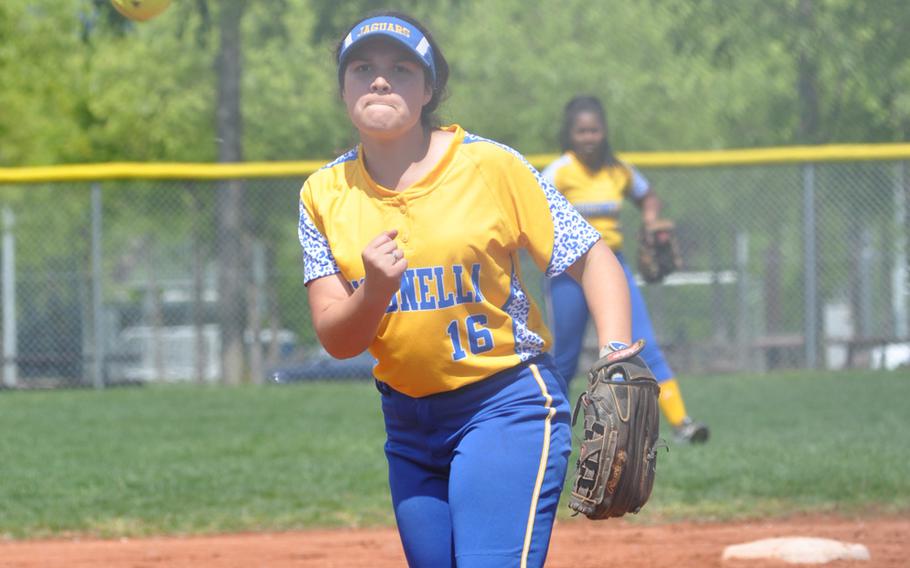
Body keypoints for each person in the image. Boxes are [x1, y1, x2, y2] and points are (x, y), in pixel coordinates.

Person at [298, 12, 634, 568]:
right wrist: (374, 291)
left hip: (504, 404)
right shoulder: (322, 193)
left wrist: (617, 352)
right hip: (407, 428)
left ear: (429, 89)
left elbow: (593, 258)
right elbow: (337, 338)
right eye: (363, 68)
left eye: (401, 68)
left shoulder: (490, 166)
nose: (380, 80)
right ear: (343, 87)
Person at [541, 95, 710, 444]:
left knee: (640, 346)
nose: (589, 137)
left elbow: (648, 197)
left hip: (613, 265)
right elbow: (533, 205)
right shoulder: (560, 170)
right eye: (582, 131)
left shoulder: (618, 170)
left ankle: (683, 424)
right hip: (570, 271)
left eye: (595, 130)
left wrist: (650, 220)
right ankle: (547, 428)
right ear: (570, 134)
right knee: (566, 356)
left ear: (605, 132)